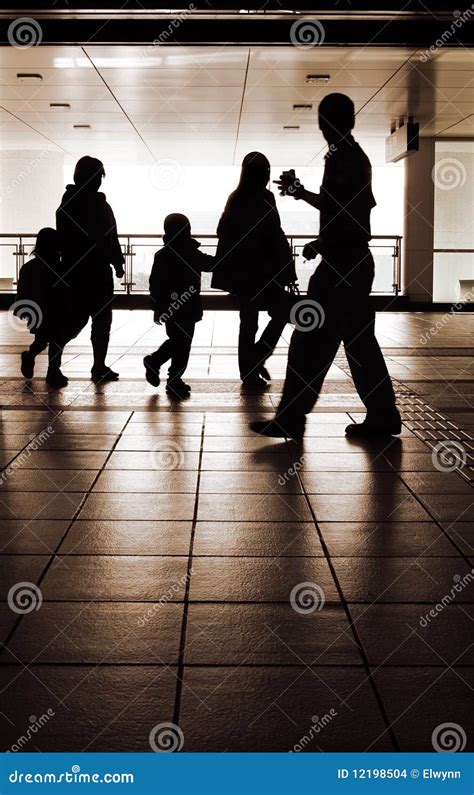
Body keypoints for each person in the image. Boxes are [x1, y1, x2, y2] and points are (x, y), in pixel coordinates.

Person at [251, 93, 401, 440]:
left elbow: (339, 209)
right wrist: (322, 239)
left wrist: (301, 194)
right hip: (353, 262)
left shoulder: (344, 158)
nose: (323, 127)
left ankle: (291, 417)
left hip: (341, 269)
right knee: (360, 346)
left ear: (332, 122)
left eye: (325, 119)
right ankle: (383, 415)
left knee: (308, 340)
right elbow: (353, 213)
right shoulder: (353, 156)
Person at [213, 151, 298, 389]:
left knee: (248, 321)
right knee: (283, 311)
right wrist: (287, 269)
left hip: (243, 273)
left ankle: (248, 371)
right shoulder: (266, 198)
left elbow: (223, 231)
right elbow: (275, 234)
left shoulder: (235, 198)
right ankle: (257, 357)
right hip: (266, 271)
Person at [56, 156, 125, 383]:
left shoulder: (66, 205)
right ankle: (98, 366)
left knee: (73, 320)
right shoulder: (101, 206)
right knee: (102, 321)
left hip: (73, 271)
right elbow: (110, 237)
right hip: (98, 272)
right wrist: (118, 263)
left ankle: (53, 366)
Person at [144, 213, 214, 399]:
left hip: (169, 307)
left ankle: (163, 369)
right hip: (188, 306)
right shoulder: (191, 253)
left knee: (176, 340)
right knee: (183, 343)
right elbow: (211, 264)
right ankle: (168, 373)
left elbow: (155, 284)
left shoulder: (162, 255)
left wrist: (158, 306)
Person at [16, 227, 68, 388]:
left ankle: (32, 357)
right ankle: (53, 370)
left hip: (37, 311)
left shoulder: (30, 267)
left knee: (43, 339)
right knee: (56, 340)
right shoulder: (59, 267)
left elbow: (23, 290)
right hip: (55, 310)